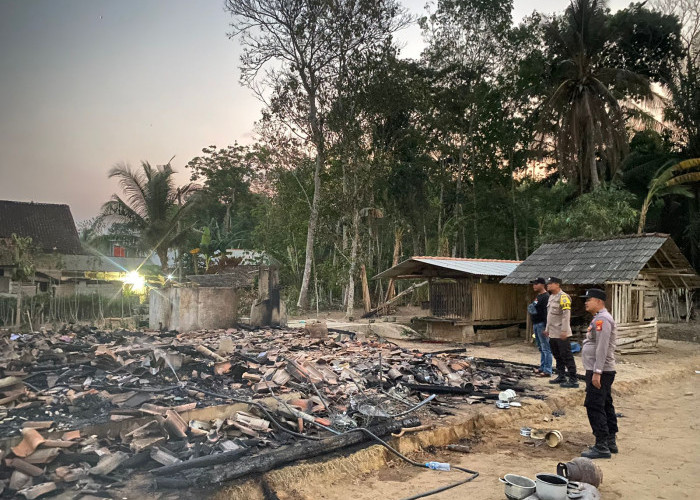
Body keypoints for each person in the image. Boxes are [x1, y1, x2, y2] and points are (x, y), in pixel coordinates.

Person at [580, 288, 618, 459]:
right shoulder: (599, 318)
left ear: (599, 302)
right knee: (605, 402)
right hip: (601, 369)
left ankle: (601, 445)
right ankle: (610, 441)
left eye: (589, 299)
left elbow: (602, 348)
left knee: (594, 404)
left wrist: (597, 372)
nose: (586, 302)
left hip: (600, 370)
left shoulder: (602, 319)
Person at [544, 277, 578, 388]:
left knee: (566, 356)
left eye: (550, 284)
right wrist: (547, 329)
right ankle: (561, 375)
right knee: (557, 355)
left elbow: (566, 315)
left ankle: (573, 379)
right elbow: (550, 316)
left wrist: (564, 330)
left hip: (561, 332)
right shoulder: (551, 297)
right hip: (553, 332)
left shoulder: (563, 297)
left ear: (557, 284)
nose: (548, 285)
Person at [528, 277, 551, 377]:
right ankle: (542, 367)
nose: (534, 286)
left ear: (542, 284)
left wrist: (547, 327)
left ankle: (547, 370)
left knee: (546, 348)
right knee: (541, 347)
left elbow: (547, 313)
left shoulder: (546, 297)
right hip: (536, 323)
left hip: (542, 324)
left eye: (536, 284)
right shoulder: (539, 296)